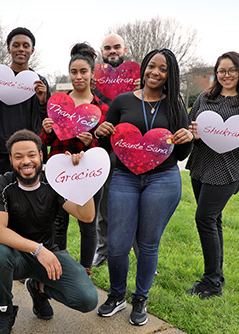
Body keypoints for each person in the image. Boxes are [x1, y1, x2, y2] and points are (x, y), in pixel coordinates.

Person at [95, 49, 193, 326]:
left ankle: (141, 299)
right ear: (144, 68)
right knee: (117, 244)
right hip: (124, 178)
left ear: (169, 75)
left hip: (162, 179)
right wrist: (102, 133)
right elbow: (107, 144)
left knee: (148, 244)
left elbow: (181, 153)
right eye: (152, 66)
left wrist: (187, 138)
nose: (155, 72)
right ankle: (117, 296)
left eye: (163, 69)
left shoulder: (175, 104)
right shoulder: (122, 101)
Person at [0, 129, 98, 334]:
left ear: (41, 156)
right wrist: (38, 249)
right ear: (11, 160)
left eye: (31, 155)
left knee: (87, 299)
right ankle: (5, 311)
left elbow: (86, 216)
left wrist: (83, 181)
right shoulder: (2, 185)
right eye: (18, 157)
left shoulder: (53, 182)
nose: (26, 161)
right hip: (15, 256)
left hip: (49, 254)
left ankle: (38, 289)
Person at [186, 51, 239, 299]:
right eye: (221, 71)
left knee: (204, 219)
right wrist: (194, 135)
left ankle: (211, 282)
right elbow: (191, 129)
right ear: (216, 73)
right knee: (214, 220)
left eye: (231, 70)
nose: (226, 75)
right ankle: (216, 276)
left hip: (226, 171)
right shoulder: (204, 98)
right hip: (200, 166)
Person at [41, 43, 108, 275]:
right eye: (74, 72)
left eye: (83, 72)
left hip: (88, 173)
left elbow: (106, 148)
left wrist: (90, 143)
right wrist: (47, 129)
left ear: (92, 74)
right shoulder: (58, 103)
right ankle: (61, 267)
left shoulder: (101, 108)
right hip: (59, 170)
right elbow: (46, 142)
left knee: (88, 223)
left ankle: (85, 270)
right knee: (58, 221)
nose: (78, 76)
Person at [92, 33, 140, 267]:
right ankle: (103, 251)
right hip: (105, 149)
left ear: (125, 49)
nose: (113, 51)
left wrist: (143, 90)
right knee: (105, 204)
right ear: (102, 52)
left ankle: (143, 255)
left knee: (138, 206)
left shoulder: (140, 78)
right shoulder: (95, 81)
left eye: (117, 47)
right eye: (108, 48)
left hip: (136, 149)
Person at [0, 27, 49, 181]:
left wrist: (42, 101)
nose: (21, 49)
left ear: (32, 50)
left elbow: (46, 119)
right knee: (1, 194)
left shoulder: (39, 82)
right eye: (16, 45)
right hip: (0, 150)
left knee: (28, 196)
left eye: (26, 46)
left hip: (28, 150)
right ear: (8, 48)